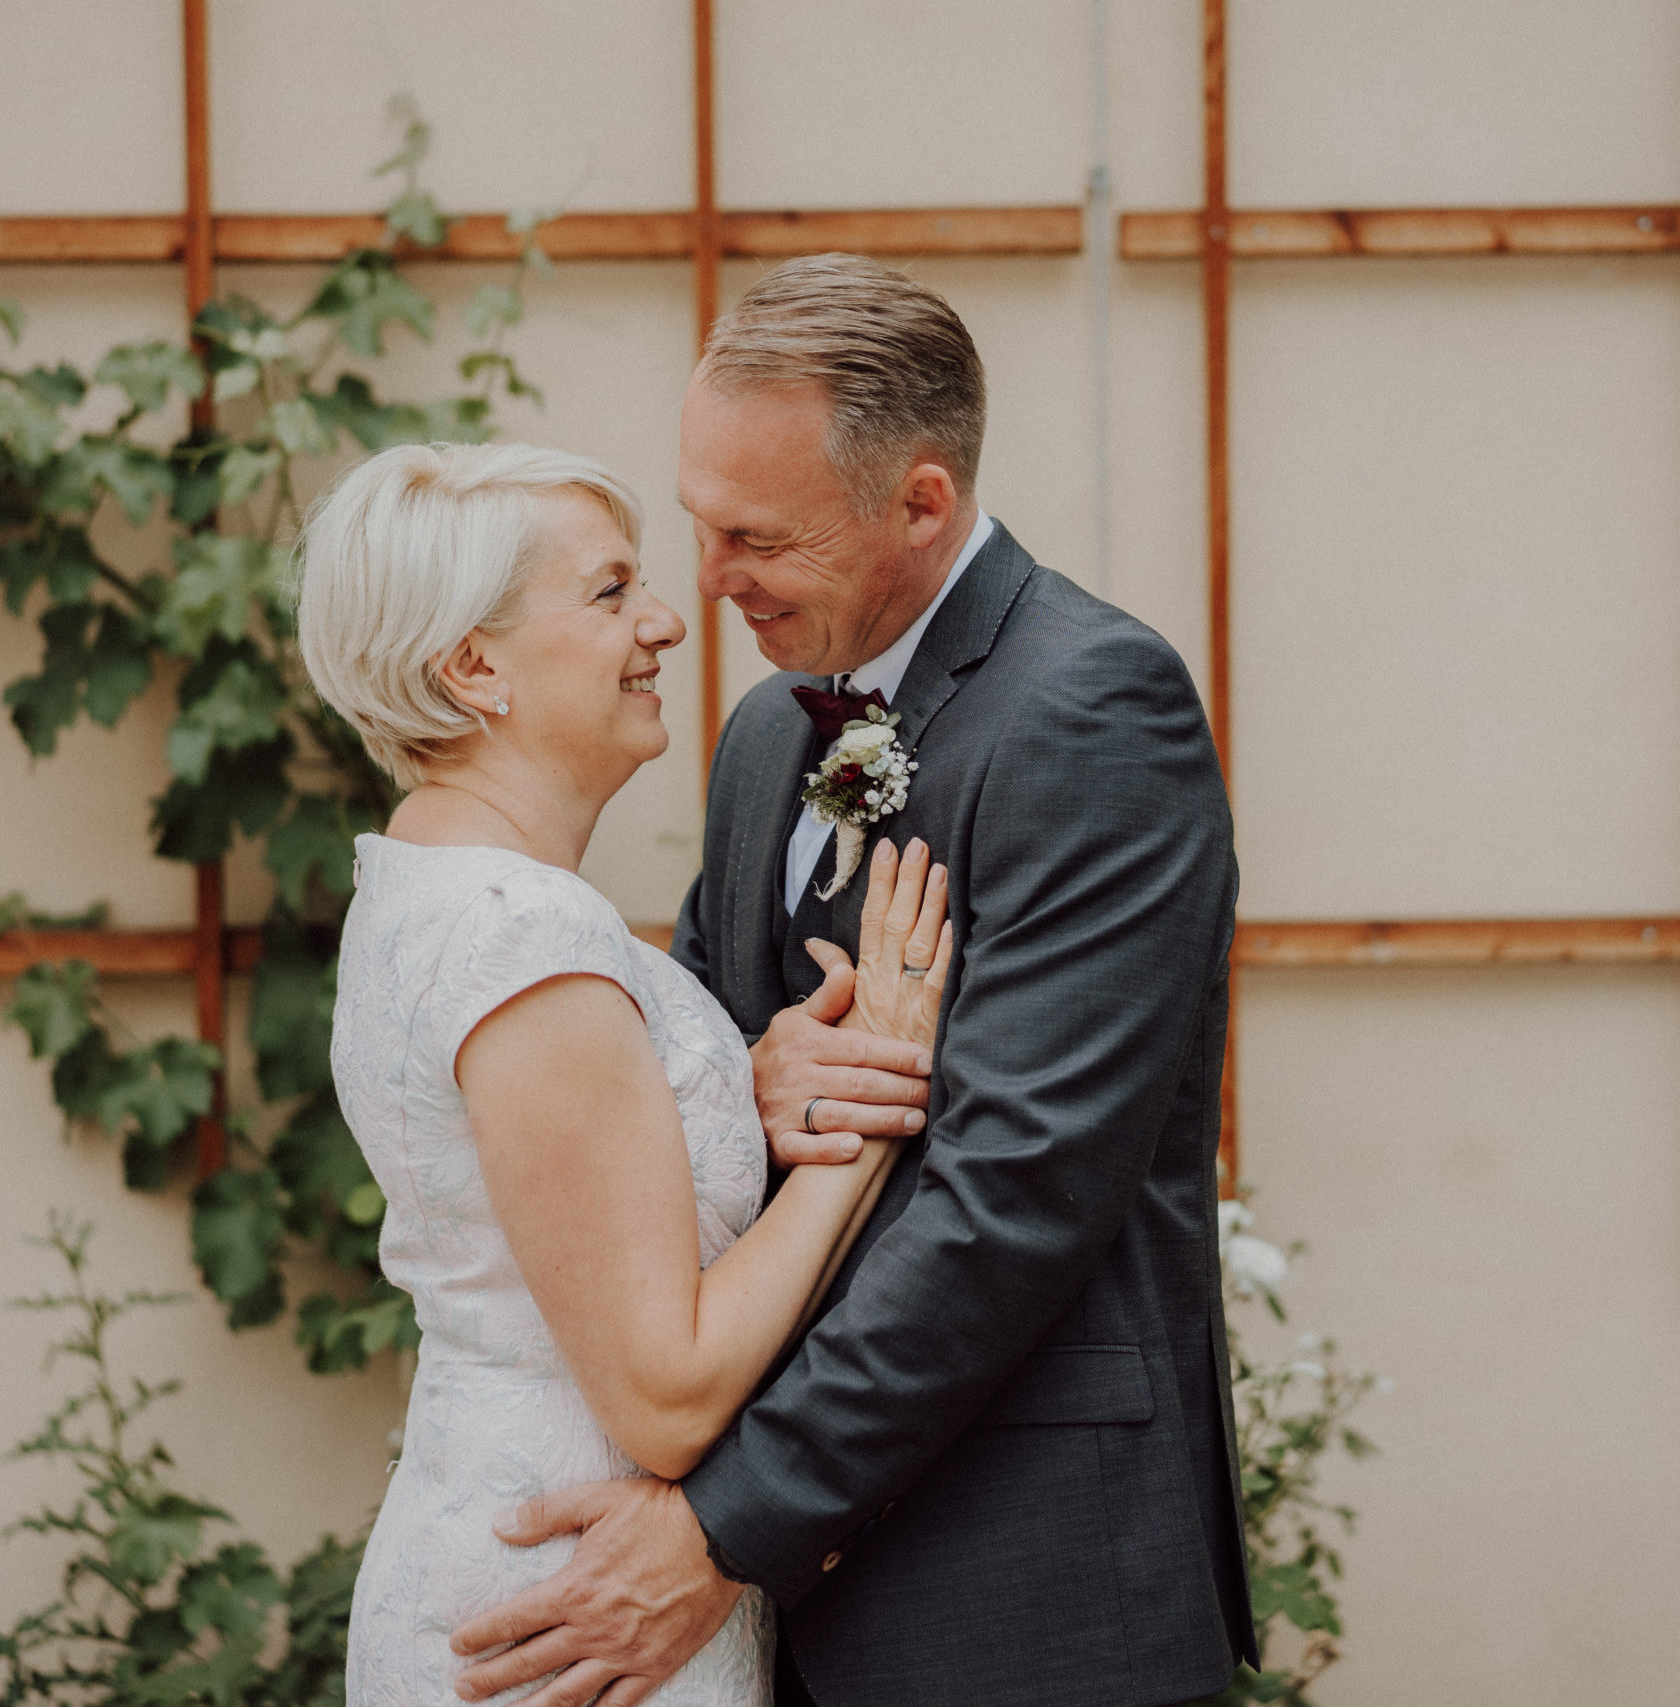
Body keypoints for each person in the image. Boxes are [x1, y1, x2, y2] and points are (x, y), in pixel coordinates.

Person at [447, 255, 1253, 1707]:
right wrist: (756, 1073)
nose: (705, 585)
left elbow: (1017, 1194)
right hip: (794, 1630)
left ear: (921, 502)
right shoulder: (768, 733)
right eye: (699, 526)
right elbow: (685, 1066)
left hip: (1025, 1604)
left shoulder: (1094, 709)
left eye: (758, 535)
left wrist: (724, 1531)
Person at [298, 441, 956, 1707]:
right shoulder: (521, 935)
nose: (664, 619)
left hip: (536, 1564)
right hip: (575, 1612)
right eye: (607, 594)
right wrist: (874, 1108)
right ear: (472, 666)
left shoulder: (440, 890)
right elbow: (664, 1393)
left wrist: (757, 1090)